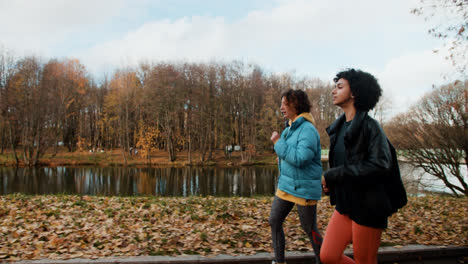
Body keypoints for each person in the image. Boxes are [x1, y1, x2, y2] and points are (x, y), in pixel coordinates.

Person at [320, 69, 407, 264]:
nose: (333, 91)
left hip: (368, 207)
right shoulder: (339, 127)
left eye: (339, 87)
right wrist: (331, 182)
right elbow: (347, 166)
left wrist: (334, 174)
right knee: (328, 256)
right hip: (345, 204)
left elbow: (379, 166)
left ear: (355, 93)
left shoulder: (371, 127)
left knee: (365, 261)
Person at [269, 89, 323, 264]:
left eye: (285, 103)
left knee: (309, 228)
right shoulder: (290, 128)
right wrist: (282, 155)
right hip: (286, 185)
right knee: (274, 221)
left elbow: (300, 159)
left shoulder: (307, 129)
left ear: (296, 105)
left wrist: (278, 143)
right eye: (282, 103)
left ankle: (323, 260)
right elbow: (289, 154)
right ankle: (279, 262)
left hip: (304, 188)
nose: (281, 107)